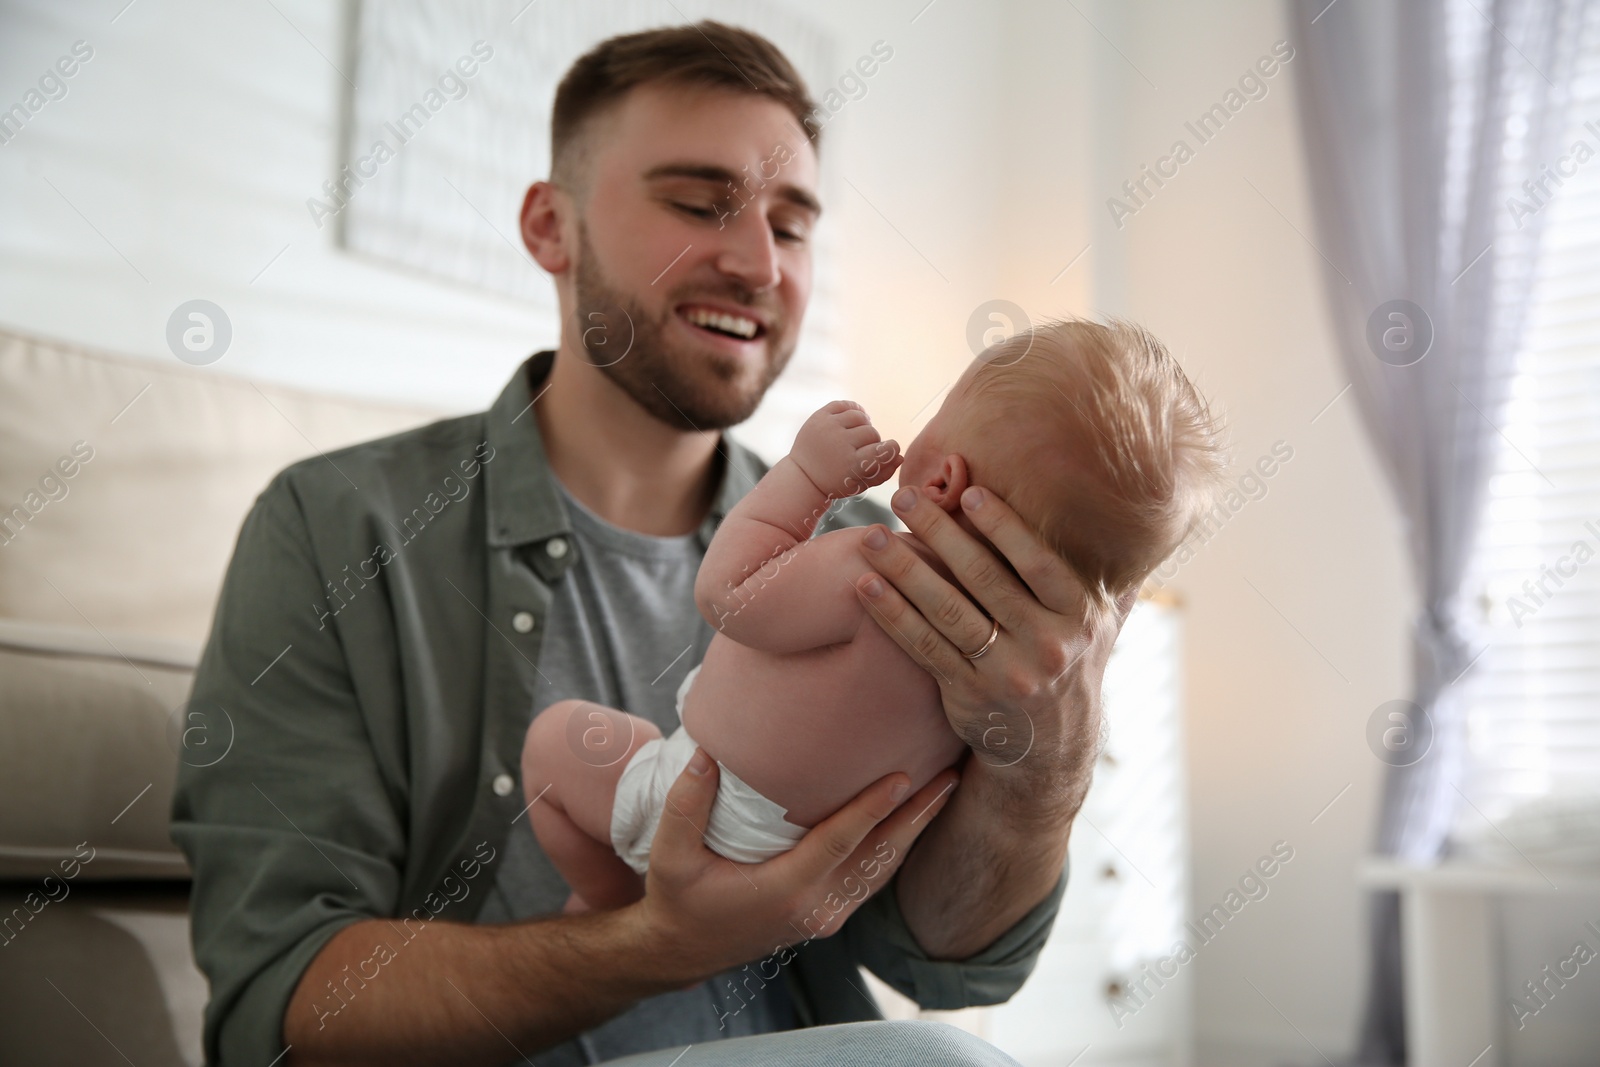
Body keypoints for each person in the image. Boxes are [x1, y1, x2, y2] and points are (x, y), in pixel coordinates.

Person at [171, 21, 1133, 1067]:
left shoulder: (870, 557)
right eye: (696, 202)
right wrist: (655, 942)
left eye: (793, 224)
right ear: (552, 227)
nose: (759, 262)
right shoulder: (335, 528)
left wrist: (1043, 760)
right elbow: (284, 1004)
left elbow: (950, 962)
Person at [522, 321, 1225, 917]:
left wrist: (807, 475)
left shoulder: (873, 564)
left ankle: (611, 900)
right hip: (830, 870)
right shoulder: (999, 674)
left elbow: (729, 593)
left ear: (943, 479)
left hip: (705, 806)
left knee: (557, 744)